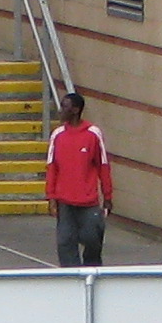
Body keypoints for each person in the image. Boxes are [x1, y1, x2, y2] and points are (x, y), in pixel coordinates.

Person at [44, 90, 109, 271]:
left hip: (88, 202)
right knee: (65, 242)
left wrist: (108, 196)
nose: (60, 110)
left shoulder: (93, 134)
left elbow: (103, 165)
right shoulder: (57, 135)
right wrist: (51, 197)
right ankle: (71, 275)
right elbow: (52, 167)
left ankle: (92, 270)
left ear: (76, 110)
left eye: (64, 106)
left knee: (92, 239)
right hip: (65, 201)